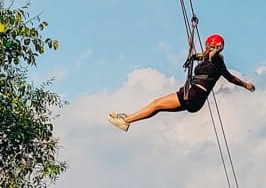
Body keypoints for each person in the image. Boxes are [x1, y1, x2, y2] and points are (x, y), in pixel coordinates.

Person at [108, 33, 255, 131]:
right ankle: (127, 119)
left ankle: (126, 120)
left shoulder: (215, 59)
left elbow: (211, 55)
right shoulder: (217, 64)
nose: (205, 49)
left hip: (193, 94)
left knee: (156, 104)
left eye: (207, 46)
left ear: (211, 47)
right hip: (195, 99)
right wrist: (246, 85)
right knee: (157, 107)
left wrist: (216, 49)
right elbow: (231, 78)